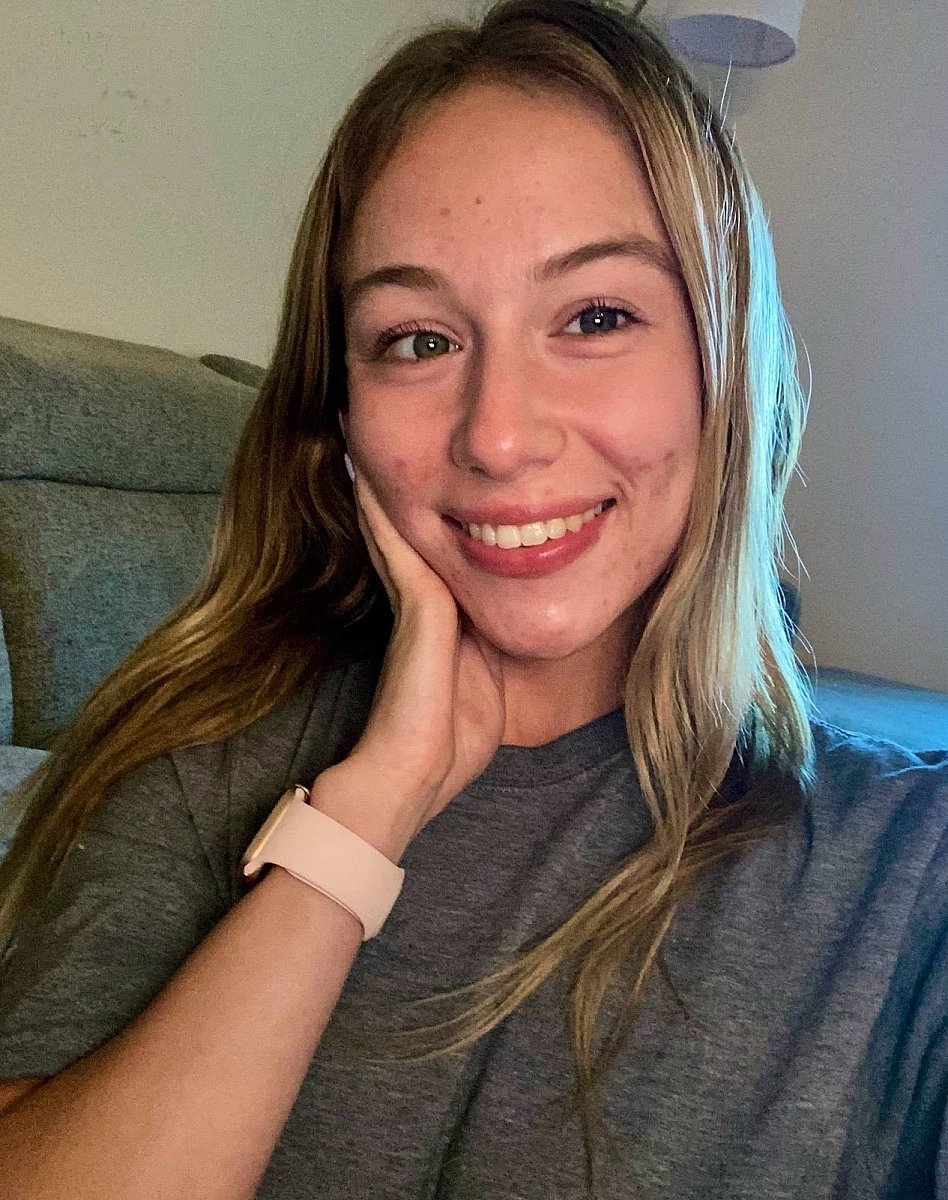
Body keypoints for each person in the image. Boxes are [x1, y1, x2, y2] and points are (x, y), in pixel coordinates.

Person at [0, 1, 946, 1196]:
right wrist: (361, 822)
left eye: (596, 317)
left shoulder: (909, 868)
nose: (497, 437)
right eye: (416, 340)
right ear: (339, 414)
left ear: (727, 369)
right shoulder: (195, 751)